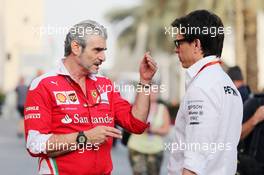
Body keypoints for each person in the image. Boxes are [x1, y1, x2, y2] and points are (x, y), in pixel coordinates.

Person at [24, 20, 157, 175]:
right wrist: (84, 138)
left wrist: (145, 82)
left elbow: (137, 123)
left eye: (104, 50)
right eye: (97, 50)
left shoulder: (105, 84)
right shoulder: (44, 84)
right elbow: (35, 144)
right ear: (76, 47)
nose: (103, 57)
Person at [167, 10, 243, 175]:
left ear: (196, 44)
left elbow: (194, 161)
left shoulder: (202, 87)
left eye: (178, 43)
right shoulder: (228, 84)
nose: (176, 50)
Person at [127, 91, 170, 175]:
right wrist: (141, 127)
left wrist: (154, 130)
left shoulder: (162, 108)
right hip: (136, 147)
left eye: (155, 91)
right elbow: (129, 125)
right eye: (151, 91)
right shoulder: (137, 106)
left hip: (155, 149)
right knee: (138, 172)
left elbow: (166, 129)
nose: (153, 93)